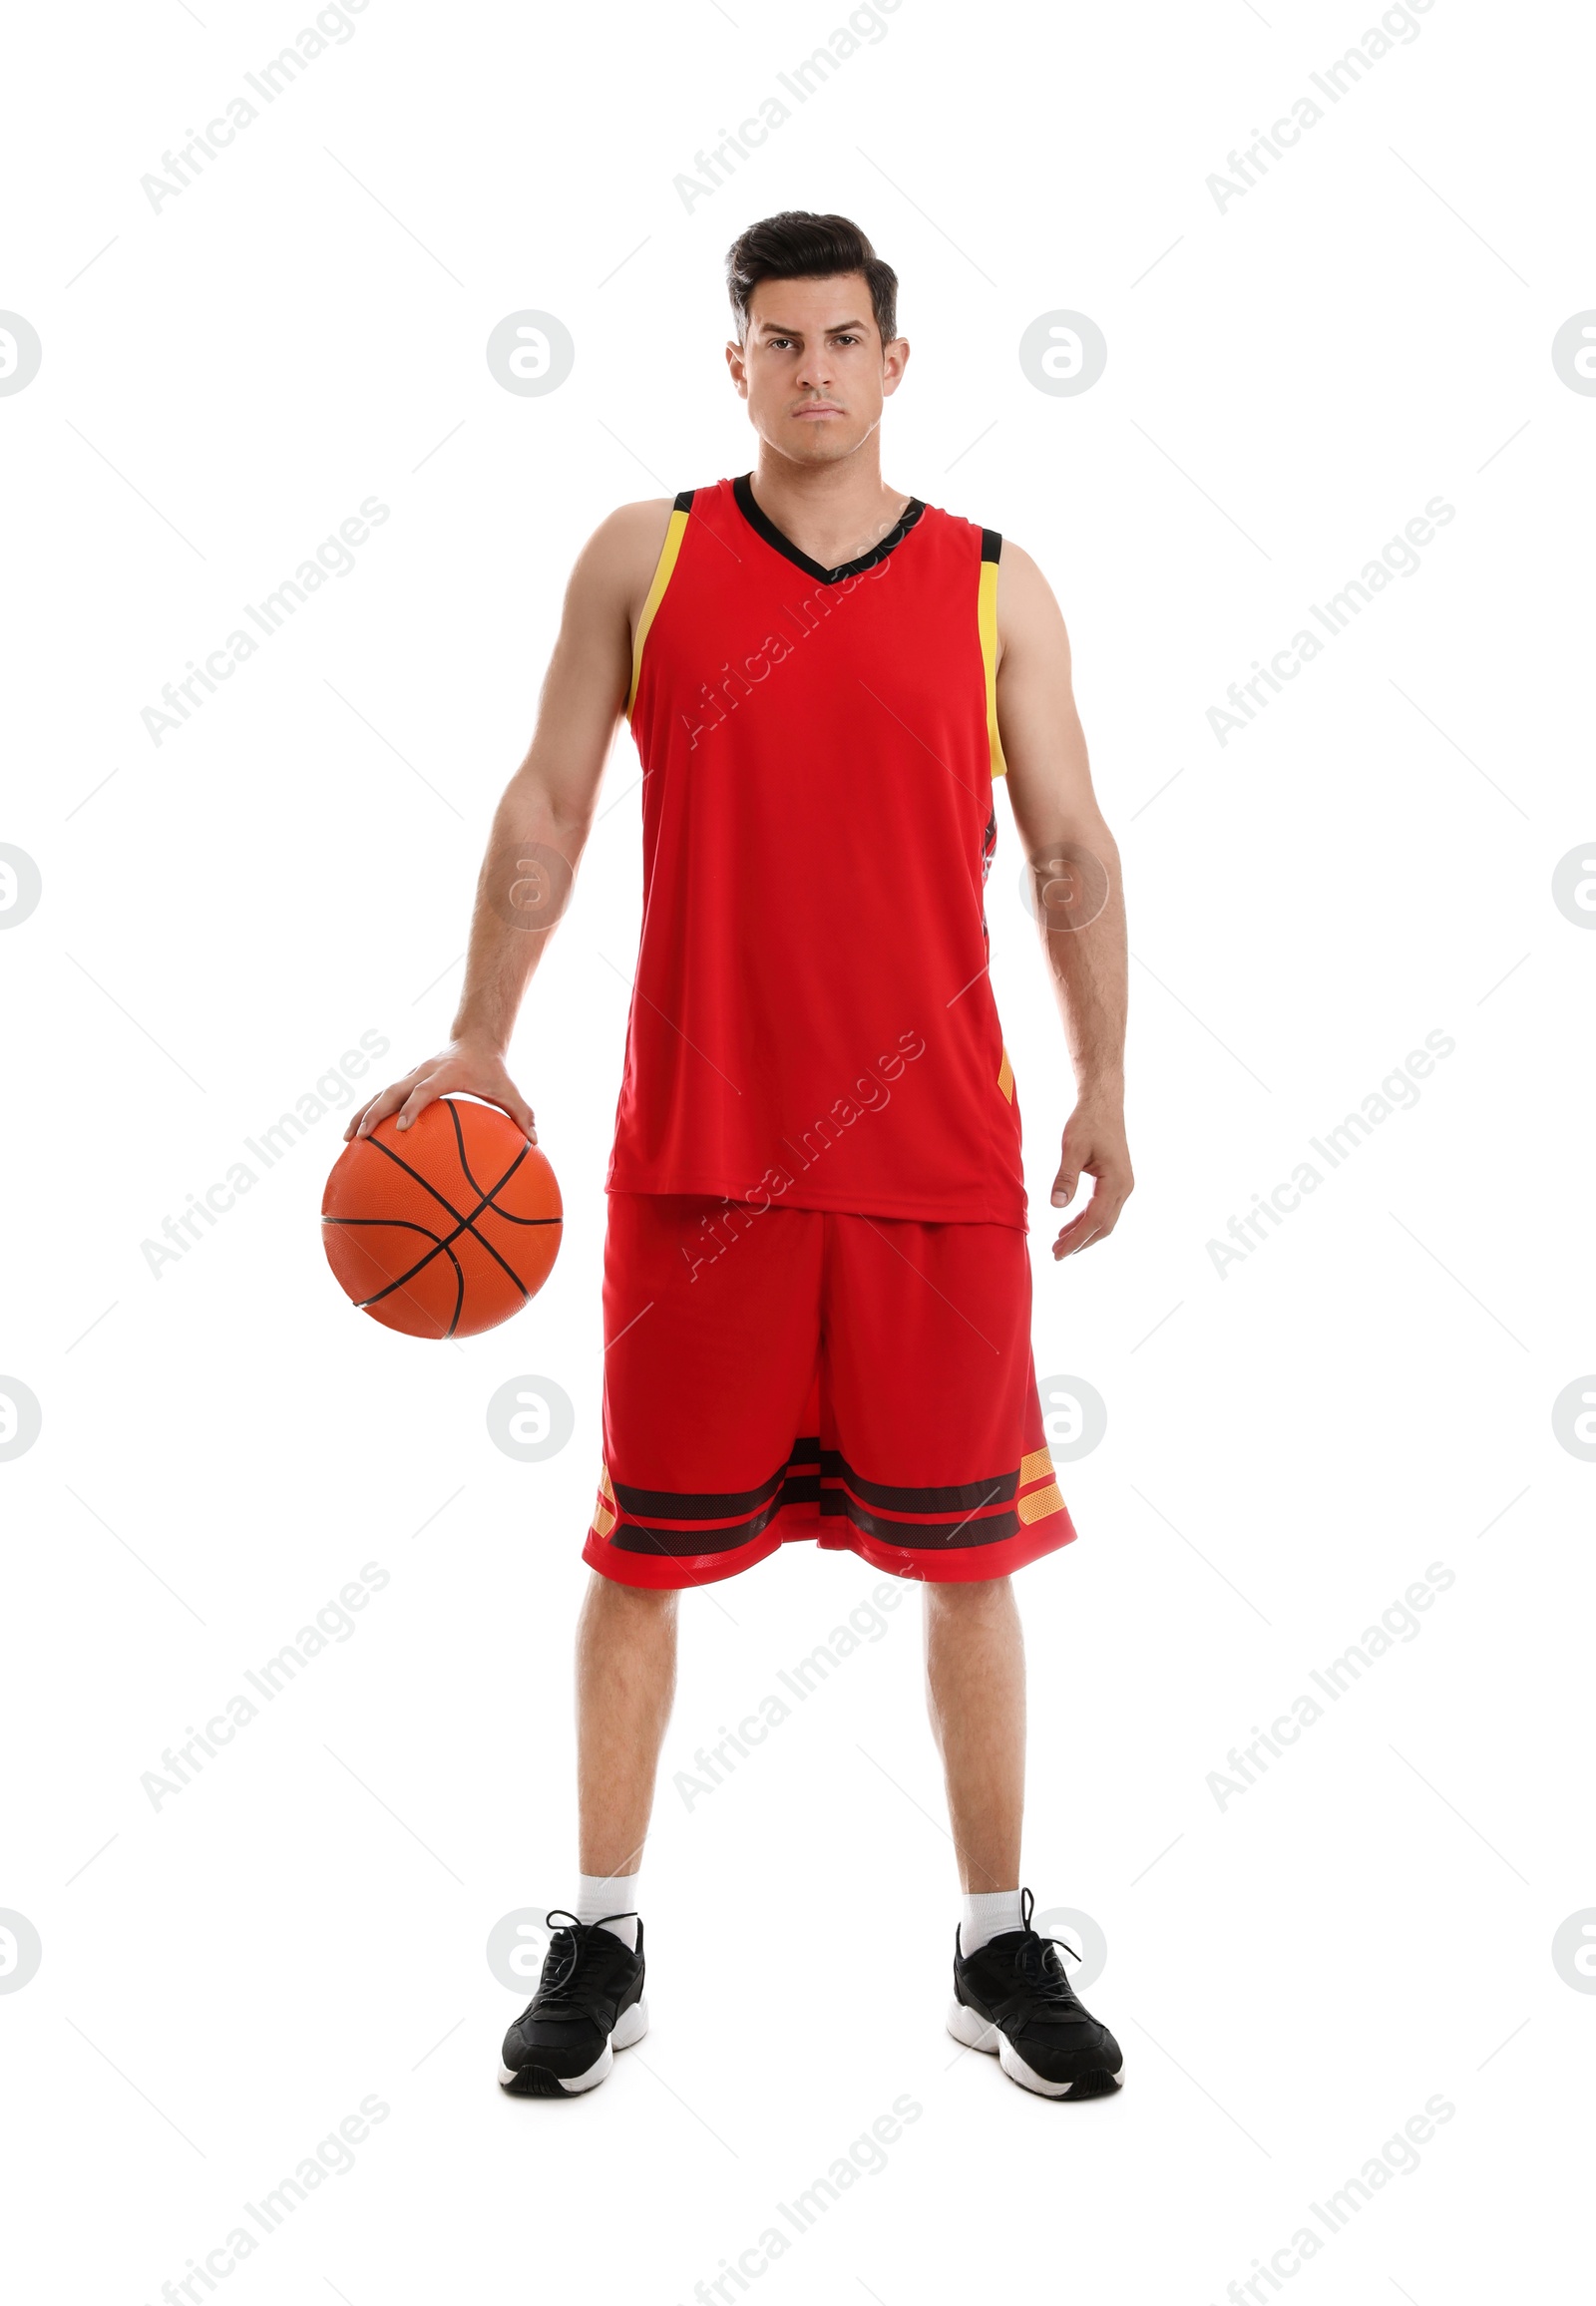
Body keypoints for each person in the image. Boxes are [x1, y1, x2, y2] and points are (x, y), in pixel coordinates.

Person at [347, 210, 1133, 2102]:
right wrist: (481, 1029)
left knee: (971, 1564)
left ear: (895, 362)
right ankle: (602, 1931)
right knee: (638, 1556)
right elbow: (547, 799)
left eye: (842, 340)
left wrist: (1108, 1078)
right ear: (736, 367)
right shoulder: (650, 557)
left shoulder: (995, 584)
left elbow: (1075, 847)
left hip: (937, 1159)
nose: (811, 372)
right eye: (777, 343)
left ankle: (1000, 1936)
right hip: (699, 1161)